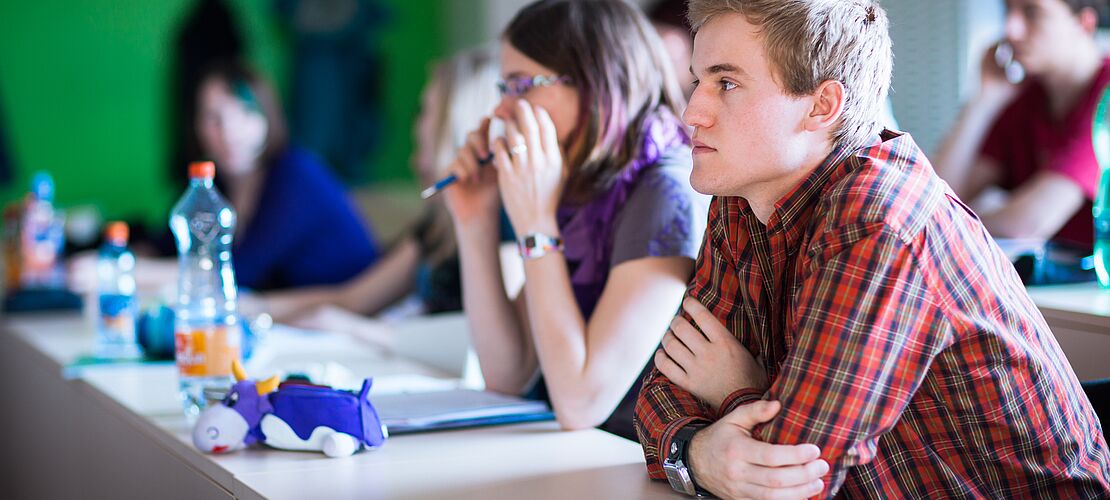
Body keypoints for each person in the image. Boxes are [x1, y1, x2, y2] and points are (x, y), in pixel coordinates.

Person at [635, 1, 1110, 498]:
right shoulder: (740, 197)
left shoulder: (879, 222)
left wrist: (736, 392)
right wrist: (695, 451)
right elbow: (662, 394)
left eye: (726, 84)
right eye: (697, 82)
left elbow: (796, 477)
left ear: (822, 106)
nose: (692, 112)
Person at [444, 0, 709, 441]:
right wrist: (476, 219)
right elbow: (506, 374)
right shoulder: (584, 186)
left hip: (636, 464)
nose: (502, 113)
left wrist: (536, 223)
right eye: (503, 89)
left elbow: (580, 402)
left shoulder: (666, 190)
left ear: (597, 82)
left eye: (523, 86)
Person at [259, 47, 501, 324]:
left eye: (426, 110)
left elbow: (469, 346)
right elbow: (352, 299)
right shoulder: (437, 227)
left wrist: (350, 328)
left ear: (454, 124)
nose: (418, 122)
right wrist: (251, 305)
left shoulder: (500, 231)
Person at [934, 0, 1109, 248]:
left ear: (1084, 23)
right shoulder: (1025, 100)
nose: (1010, 30)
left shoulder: (1107, 95)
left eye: (1032, 12)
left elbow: (1029, 223)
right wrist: (984, 100)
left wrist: (939, 227)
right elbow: (935, 196)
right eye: (1008, 11)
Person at [193, 60, 381, 290]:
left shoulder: (294, 177)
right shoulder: (216, 184)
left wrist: (144, 270)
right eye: (214, 118)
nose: (228, 131)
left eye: (244, 113)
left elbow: (238, 272)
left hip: (355, 313)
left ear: (267, 117)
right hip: (297, 316)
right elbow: (168, 244)